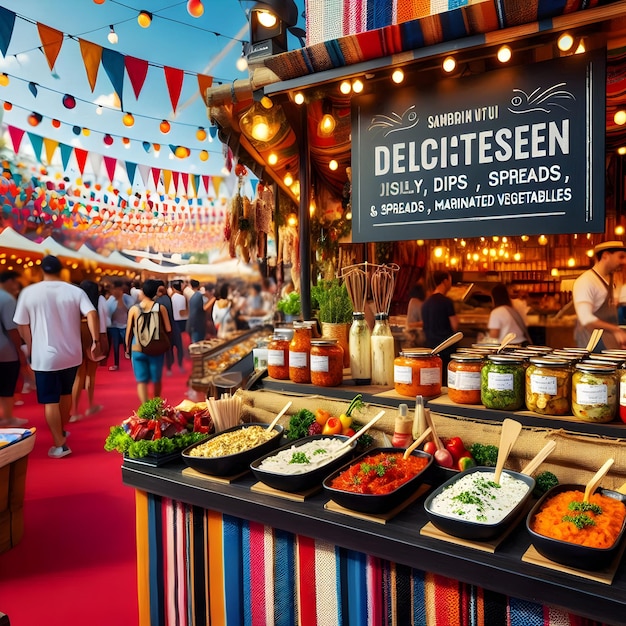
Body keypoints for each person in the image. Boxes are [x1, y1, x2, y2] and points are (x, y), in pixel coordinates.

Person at [13, 255, 99, 458]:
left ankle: (60, 444)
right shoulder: (74, 291)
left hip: (45, 356)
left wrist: (31, 343)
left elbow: (21, 323)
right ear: (61, 270)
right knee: (65, 394)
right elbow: (92, 313)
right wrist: (95, 340)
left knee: (50, 400)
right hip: (72, 354)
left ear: (42, 270)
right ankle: (60, 430)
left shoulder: (29, 292)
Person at [573, 240, 626, 351]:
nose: (624, 261)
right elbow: (586, 319)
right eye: (621, 257)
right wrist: (616, 330)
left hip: (609, 344)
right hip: (593, 346)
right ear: (606, 256)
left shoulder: (610, 281)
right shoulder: (586, 281)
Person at [125, 279, 172, 403]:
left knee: (141, 380)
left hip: (138, 346)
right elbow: (168, 328)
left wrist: (127, 348)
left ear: (143, 292)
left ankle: (144, 406)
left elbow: (129, 331)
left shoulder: (134, 309)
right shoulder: (161, 308)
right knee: (156, 379)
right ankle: (155, 405)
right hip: (156, 347)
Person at [70, 280, 109, 421]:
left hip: (78, 335)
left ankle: (74, 410)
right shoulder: (99, 301)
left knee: (78, 376)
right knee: (91, 374)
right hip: (93, 334)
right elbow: (103, 323)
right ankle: (90, 405)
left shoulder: (76, 300)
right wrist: (101, 341)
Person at [0, 270, 28, 427]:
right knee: (7, 386)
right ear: (10, 281)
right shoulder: (7, 299)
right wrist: (19, 350)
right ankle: (8, 418)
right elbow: (12, 328)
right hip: (5, 351)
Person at [421, 270, 459, 375]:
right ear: (445, 281)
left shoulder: (426, 303)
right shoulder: (446, 302)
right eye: (450, 280)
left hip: (431, 349)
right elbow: (455, 325)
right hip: (447, 349)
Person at [106, 279, 133, 371]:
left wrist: (121, 299)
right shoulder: (110, 300)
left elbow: (130, 308)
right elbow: (108, 313)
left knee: (128, 343)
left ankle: (132, 359)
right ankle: (116, 364)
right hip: (114, 326)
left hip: (125, 325)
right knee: (116, 345)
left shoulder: (127, 298)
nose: (114, 291)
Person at [156, 282, 181, 376]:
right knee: (175, 347)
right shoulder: (169, 299)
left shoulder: (158, 301)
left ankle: (168, 367)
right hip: (173, 325)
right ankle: (178, 365)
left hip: (164, 328)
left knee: (167, 348)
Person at [186, 279, 211, 344]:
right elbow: (205, 308)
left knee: (195, 343)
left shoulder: (192, 297)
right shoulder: (200, 296)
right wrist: (213, 299)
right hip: (198, 324)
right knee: (198, 343)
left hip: (192, 324)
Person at [170, 280, 189, 349]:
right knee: (183, 341)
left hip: (175, 321)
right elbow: (182, 312)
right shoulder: (182, 297)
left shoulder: (172, 297)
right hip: (183, 320)